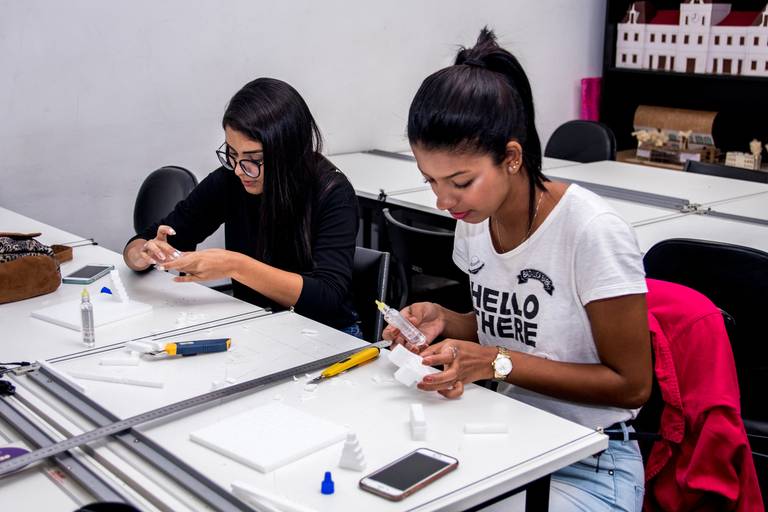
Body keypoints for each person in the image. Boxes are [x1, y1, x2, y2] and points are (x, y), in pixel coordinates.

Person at [384, 29, 652, 510]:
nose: (443, 201)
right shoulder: (475, 220)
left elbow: (631, 384)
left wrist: (492, 363)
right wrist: (448, 320)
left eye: (459, 182)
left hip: (592, 462)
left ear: (511, 157)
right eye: (430, 181)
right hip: (508, 436)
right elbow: (511, 329)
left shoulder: (591, 231)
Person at [123, 78, 361, 336]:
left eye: (254, 159)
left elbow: (327, 297)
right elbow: (150, 238)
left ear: (288, 152)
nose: (239, 170)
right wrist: (143, 255)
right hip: (257, 326)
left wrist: (235, 265)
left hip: (325, 334)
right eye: (232, 154)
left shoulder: (332, 192)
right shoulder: (231, 180)